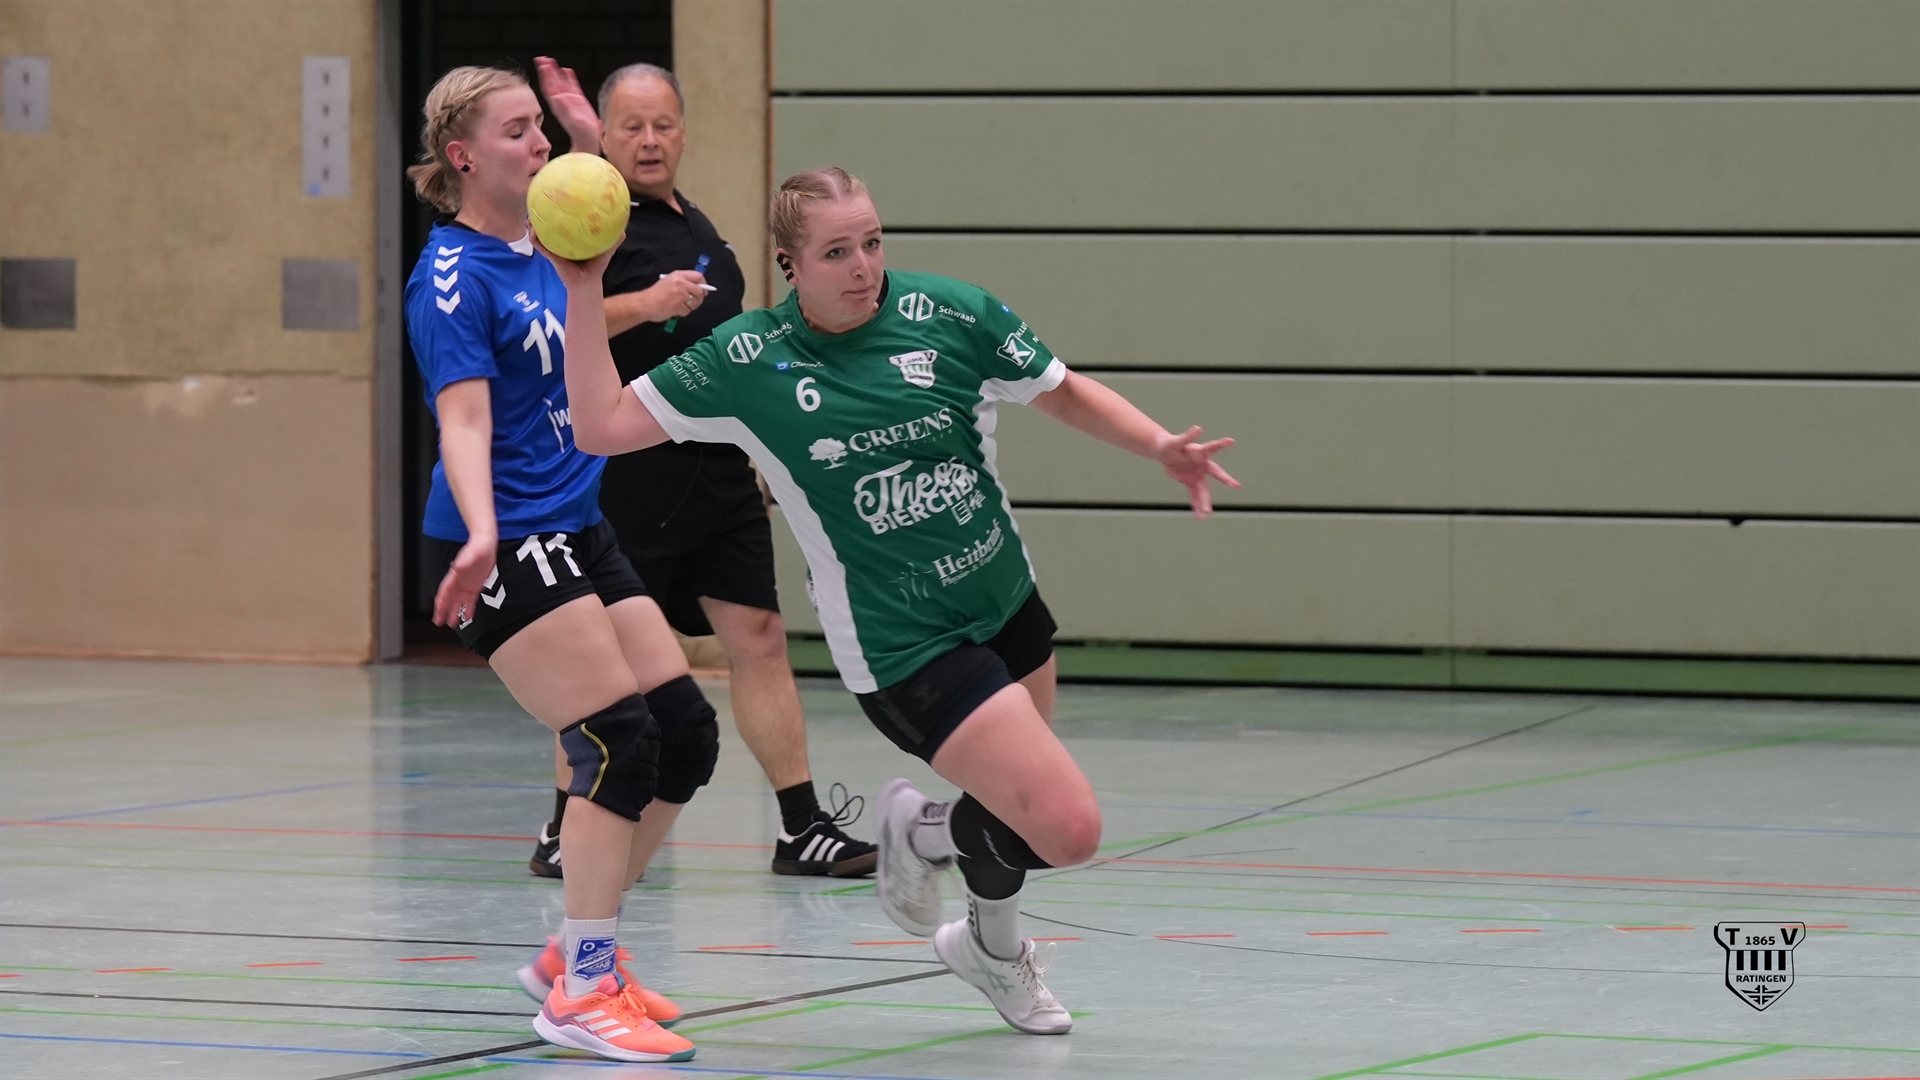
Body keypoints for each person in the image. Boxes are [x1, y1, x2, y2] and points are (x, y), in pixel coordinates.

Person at [547, 167, 1237, 1034]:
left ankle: (978, 924)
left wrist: (1158, 445)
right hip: (906, 644)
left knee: (1013, 809)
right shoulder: (748, 359)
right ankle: (935, 846)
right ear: (790, 264)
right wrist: (583, 288)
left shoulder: (949, 313)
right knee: (1067, 828)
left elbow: (1061, 389)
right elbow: (599, 424)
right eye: (837, 252)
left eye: (872, 242)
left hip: (1005, 599)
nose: (864, 266)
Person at [402, 65, 707, 1063]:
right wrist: (481, 529)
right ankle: (582, 990)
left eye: (540, 129)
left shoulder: (547, 237)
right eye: (517, 132)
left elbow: (580, 238)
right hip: (503, 536)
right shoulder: (451, 278)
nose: (539, 146)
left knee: (683, 734)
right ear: (463, 157)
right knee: (615, 739)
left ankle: (575, 954)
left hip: (576, 524)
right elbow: (462, 419)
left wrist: (585, 142)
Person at [522, 57, 875, 881]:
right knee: (601, 662)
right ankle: (563, 826)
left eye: (664, 124)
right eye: (632, 126)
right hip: (628, 473)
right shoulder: (594, 226)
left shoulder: (695, 222)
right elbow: (552, 319)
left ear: (683, 132)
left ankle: (801, 827)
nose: (650, 140)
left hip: (717, 472)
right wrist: (646, 303)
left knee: (760, 637)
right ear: (606, 136)